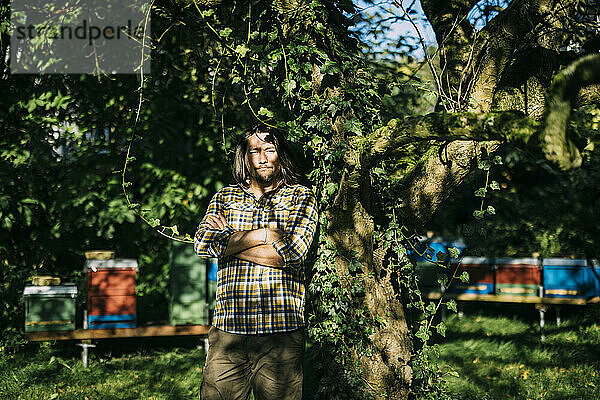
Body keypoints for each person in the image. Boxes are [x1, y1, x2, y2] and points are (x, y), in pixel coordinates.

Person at [194, 124, 318, 400]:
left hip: (280, 333)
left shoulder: (300, 197)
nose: (262, 157)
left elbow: (292, 254)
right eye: (255, 151)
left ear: (280, 154)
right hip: (229, 331)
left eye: (269, 150)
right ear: (245, 157)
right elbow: (202, 244)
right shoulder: (225, 198)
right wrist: (263, 235)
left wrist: (228, 242)